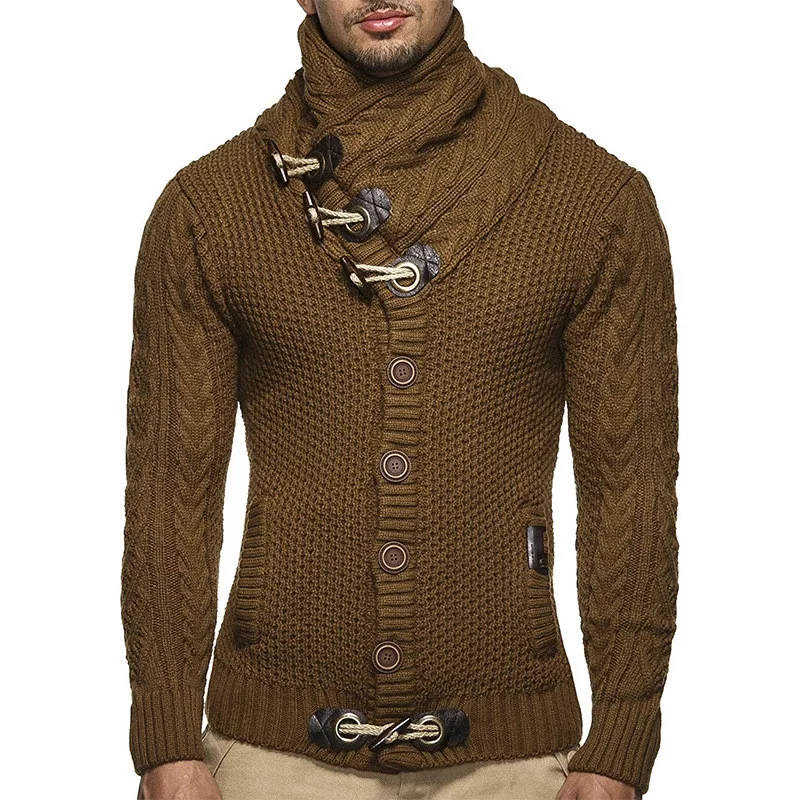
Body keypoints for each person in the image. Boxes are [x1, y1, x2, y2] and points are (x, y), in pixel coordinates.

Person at [121, 1, 679, 799]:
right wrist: (166, 737)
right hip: (268, 753)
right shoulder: (210, 209)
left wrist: (622, 737)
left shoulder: (593, 203)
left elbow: (631, 488)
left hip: (516, 762)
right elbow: (169, 491)